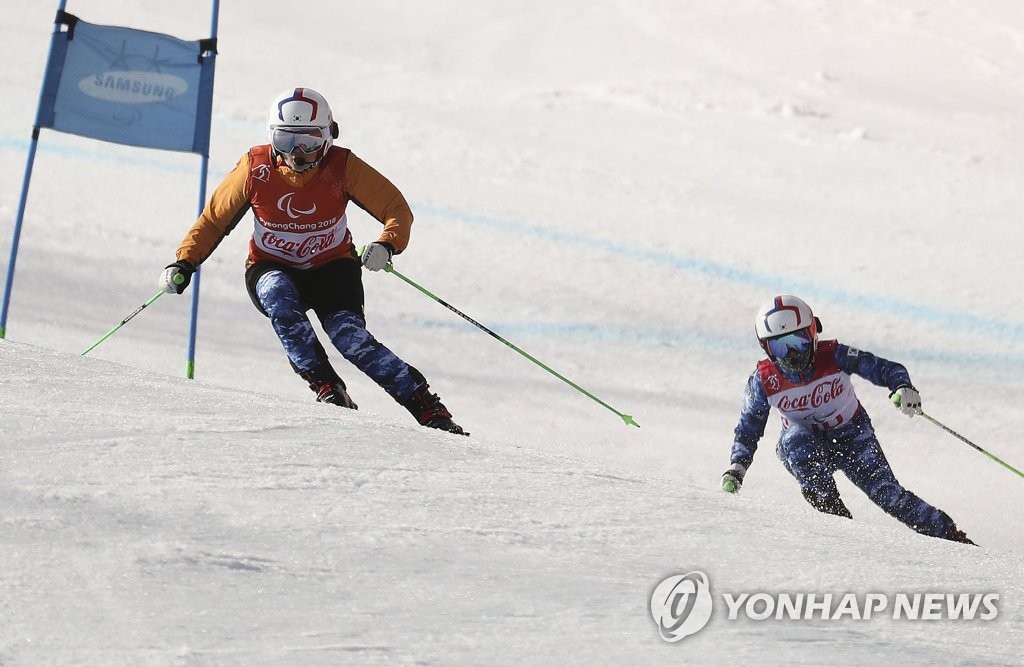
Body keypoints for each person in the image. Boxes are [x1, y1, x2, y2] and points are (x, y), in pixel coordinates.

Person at [158, 87, 466, 435]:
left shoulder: (342, 167)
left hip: (332, 269)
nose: (298, 154)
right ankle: (326, 386)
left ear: (329, 137)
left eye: (309, 141)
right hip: (271, 266)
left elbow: (396, 209)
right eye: (285, 141)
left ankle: (427, 407)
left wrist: (387, 244)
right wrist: (184, 262)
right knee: (279, 297)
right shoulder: (255, 169)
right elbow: (214, 220)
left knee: (349, 338)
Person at [721, 294, 972, 544]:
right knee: (795, 440)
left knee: (888, 494)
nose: (791, 356)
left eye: (797, 343)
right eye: (779, 347)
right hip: (806, 449)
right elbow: (749, 426)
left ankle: (951, 536)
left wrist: (901, 387)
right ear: (765, 348)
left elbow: (885, 368)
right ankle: (838, 524)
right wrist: (737, 466)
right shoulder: (765, 380)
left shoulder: (835, 356)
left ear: (812, 333)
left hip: (852, 437)